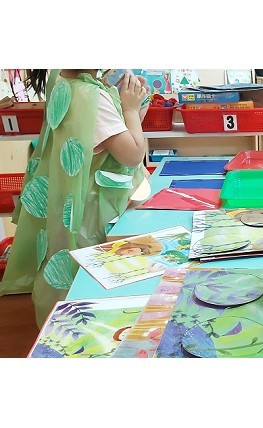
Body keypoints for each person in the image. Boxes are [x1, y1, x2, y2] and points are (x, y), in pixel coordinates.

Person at [0, 69, 150, 327]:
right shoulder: (92, 97)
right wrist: (130, 110)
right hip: (94, 216)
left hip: (70, 207)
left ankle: (64, 325)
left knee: (69, 277)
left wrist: (133, 105)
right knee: (92, 283)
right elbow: (133, 154)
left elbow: (115, 133)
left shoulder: (62, 80)